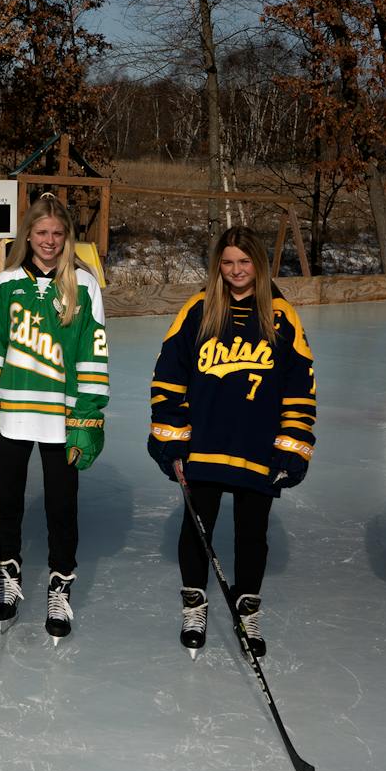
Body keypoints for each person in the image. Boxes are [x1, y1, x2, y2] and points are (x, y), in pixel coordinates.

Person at [146, 227, 316, 659]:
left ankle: (247, 609)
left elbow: (301, 386)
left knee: (252, 533)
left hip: (257, 447)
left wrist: (292, 445)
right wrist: (171, 438)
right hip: (204, 444)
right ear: (217, 266)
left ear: (258, 264)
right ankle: (194, 605)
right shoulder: (199, 310)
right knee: (197, 528)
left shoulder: (280, 316)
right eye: (228, 263)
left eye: (245, 262)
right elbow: (169, 377)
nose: (237, 271)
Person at [0, 192, 109, 642]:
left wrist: (88, 416)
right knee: (7, 501)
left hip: (61, 419)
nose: (49, 240)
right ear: (29, 235)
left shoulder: (84, 286)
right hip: (12, 416)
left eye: (57, 234)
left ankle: (59, 587)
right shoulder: (5, 283)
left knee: (62, 507)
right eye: (42, 233)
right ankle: (10, 578)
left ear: (67, 239)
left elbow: (92, 352)